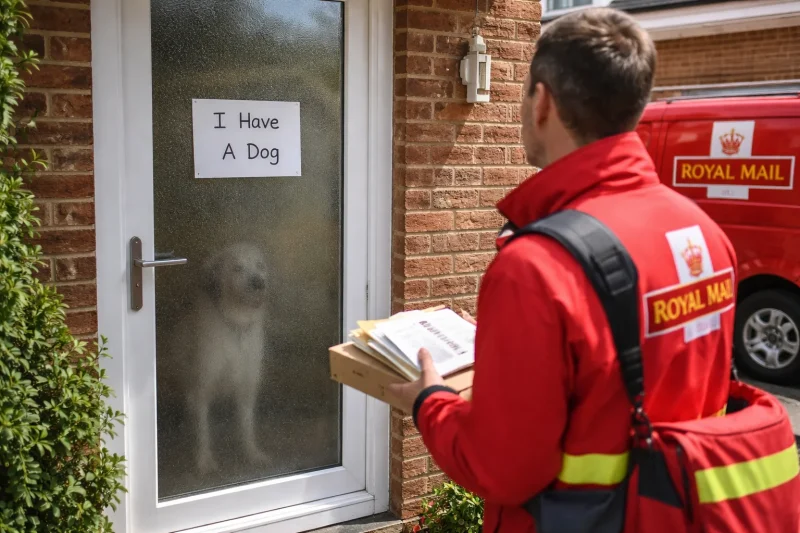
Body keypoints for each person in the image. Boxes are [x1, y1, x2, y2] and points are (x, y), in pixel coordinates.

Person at [388, 7, 736, 533]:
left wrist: (428, 402)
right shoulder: (705, 234)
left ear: (543, 102)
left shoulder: (535, 269)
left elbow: (503, 470)